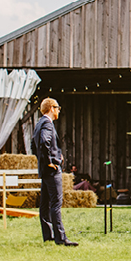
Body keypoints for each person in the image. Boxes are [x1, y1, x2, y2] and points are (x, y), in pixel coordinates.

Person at [32, 97, 77, 246]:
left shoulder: (39, 123)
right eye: (57, 108)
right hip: (51, 171)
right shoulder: (47, 124)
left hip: (44, 171)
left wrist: (44, 161)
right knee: (56, 203)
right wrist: (50, 162)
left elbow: (34, 145)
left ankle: (48, 235)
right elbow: (44, 142)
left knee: (44, 205)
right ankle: (61, 238)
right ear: (51, 108)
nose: (58, 111)